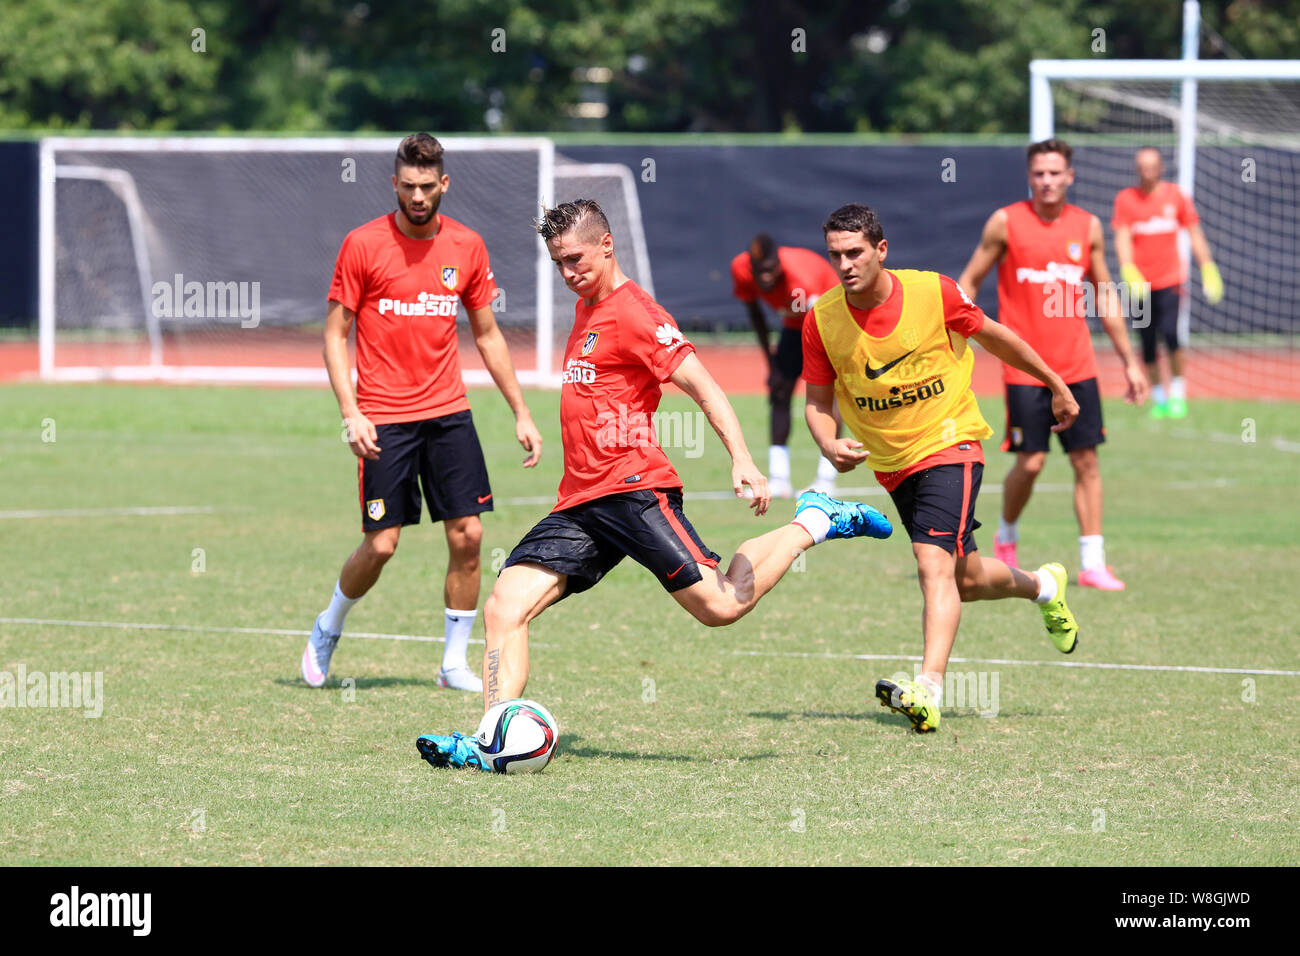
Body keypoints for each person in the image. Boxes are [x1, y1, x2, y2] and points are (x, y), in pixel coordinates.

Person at [417, 199, 893, 769]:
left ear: (606, 245)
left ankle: (814, 520)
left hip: (636, 490)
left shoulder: (637, 312)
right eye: (558, 263)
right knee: (503, 607)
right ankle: (491, 739)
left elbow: (703, 385)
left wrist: (741, 457)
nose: (568, 272)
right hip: (581, 502)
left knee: (720, 606)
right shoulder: (584, 309)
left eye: (576, 259)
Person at [807, 203, 1082, 734]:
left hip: (950, 443)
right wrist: (827, 442)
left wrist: (1055, 383)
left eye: (855, 252)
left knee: (931, 562)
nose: (844, 264)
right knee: (967, 579)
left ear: (881, 250)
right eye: (835, 255)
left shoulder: (936, 292)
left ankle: (928, 689)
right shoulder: (822, 319)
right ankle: (1045, 586)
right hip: (892, 464)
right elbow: (817, 400)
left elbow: (996, 335)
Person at [301, 133, 544, 693]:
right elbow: (335, 335)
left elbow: (487, 335)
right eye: (408, 186)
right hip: (383, 416)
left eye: (427, 186)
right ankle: (328, 625)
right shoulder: (362, 245)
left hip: (449, 413)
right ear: (394, 184)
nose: (417, 195)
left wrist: (521, 412)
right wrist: (351, 411)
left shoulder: (466, 246)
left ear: (444, 184)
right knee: (382, 543)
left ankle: (452, 664)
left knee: (468, 536)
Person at [959, 138, 1149, 592]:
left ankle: (1092, 561)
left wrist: (1131, 362)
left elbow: (1105, 294)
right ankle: (1006, 538)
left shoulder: (1088, 228)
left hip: (1078, 367)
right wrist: (957, 332)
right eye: (1039, 173)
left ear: (1070, 177)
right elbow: (968, 280)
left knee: (1086, 461)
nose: (1047, 181)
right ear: (1030, 176)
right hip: (1024, 368)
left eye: (1055, 173)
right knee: (1031, 463)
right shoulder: (1006, 223)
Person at [1112, 146, 1223, 419]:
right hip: (1140, 285)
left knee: (1171, 335)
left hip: (1171, 280)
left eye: (1151, 166)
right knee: (1147, 342)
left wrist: (1207, 267)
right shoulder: (1126, 199)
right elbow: (1122, 237)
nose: (1146, 172)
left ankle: (1178, 393)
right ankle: (1159, 398)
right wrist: (1128, 269)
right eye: (1141, 167)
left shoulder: (1176, 196)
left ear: (1161, 168)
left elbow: (1194, 233)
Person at [731, 236, 843, 495]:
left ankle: (827, 478)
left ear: (779, 262)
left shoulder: (803, 281)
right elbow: (755, 313)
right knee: (779, 391)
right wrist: (771, 363)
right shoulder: (741, 269)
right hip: (793, 326)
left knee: (830, 397)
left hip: (828, 323)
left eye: (771, 269)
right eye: (760, 271)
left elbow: (828, 322)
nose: (766, 277)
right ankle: (779, 478)